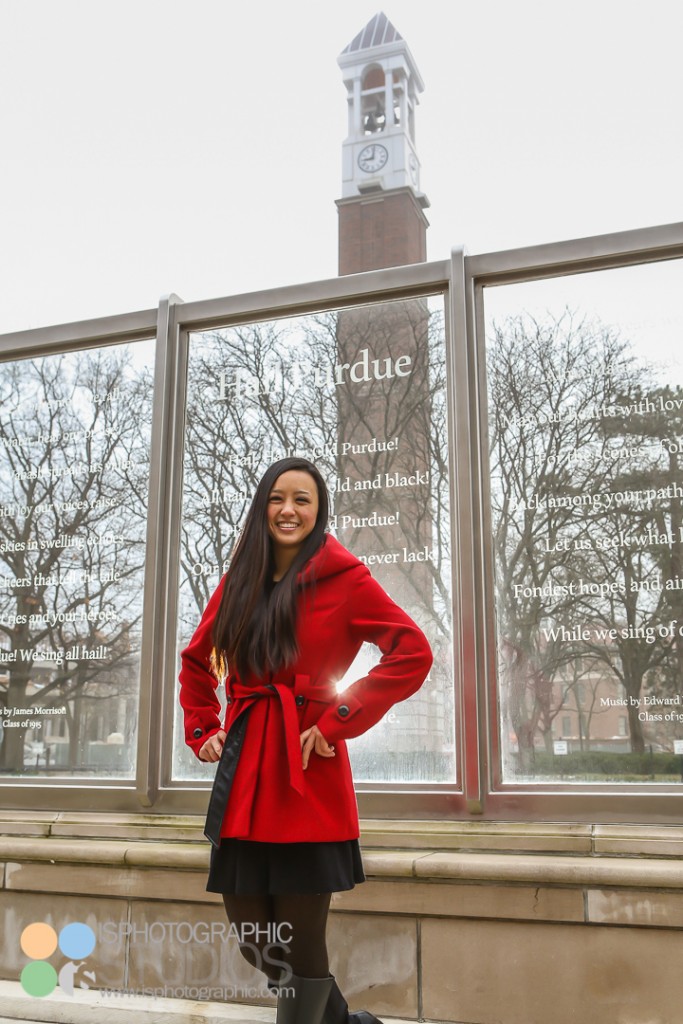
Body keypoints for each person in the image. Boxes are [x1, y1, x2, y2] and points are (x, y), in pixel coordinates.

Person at [179, 457, 433, 1024]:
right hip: (245, 776)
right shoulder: (239, 581)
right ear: (262, 508)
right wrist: (204, 727)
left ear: (319, 512)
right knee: (256, 942)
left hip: (306, 772)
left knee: (300, 943)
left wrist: (339, 716)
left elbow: (412, 652)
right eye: (277, 498)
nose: (288, 509)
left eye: (302, 499)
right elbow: (197, 661)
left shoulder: (348, 580)